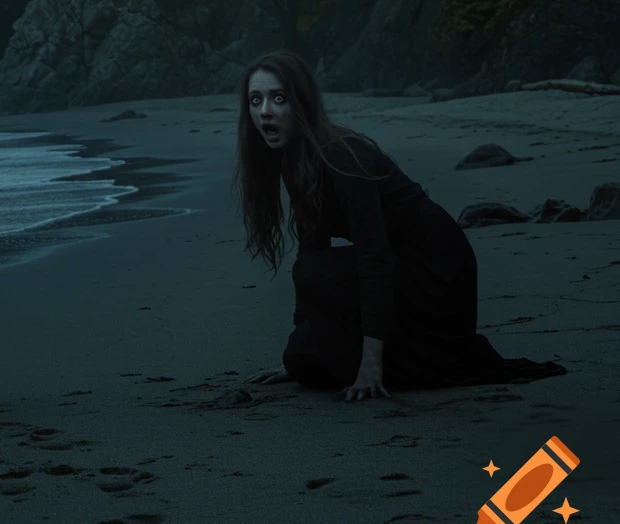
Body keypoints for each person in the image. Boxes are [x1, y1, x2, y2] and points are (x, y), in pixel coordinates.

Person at [234, 50, 566, 402]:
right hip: (395, 261)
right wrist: (300, 349)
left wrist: (371, 365)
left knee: (312, 274)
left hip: (437, 266)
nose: (265, 111)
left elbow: (372, 258)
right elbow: (313, 244)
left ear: (302, 101)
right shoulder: (295, 161)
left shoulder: (343, 157)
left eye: (278, 98)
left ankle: (391, 355)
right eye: (256, 101)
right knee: (301, 355)